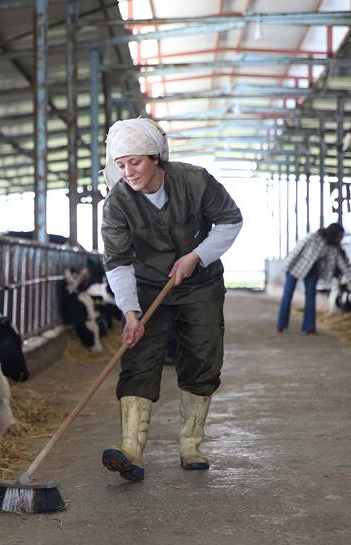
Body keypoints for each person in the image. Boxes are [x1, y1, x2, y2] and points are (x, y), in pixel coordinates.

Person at [100, 117, 243, 482]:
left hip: (200, 285)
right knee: (139, 361)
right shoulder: (117, 203)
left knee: (203, 355)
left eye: (136, 162)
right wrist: (130, 313)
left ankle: (191, 443)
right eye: (121, 164)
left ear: (156, 158)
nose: (128, 171)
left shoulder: (195, 181)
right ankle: (131, 449)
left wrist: (196, 256)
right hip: (147, 288)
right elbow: (117, 262)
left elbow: (230, 220)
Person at [277, 223, 351, 334]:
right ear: (332, 234)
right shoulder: (312, 237)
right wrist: (287, 266)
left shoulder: (333, 247)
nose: (340, 239)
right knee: (288, 295)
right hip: (296, 266)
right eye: (339, 236)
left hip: (312, 270)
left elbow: (340, 263)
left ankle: (309, 327)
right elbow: (297, 250)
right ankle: (281, 324)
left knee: (311, 297)